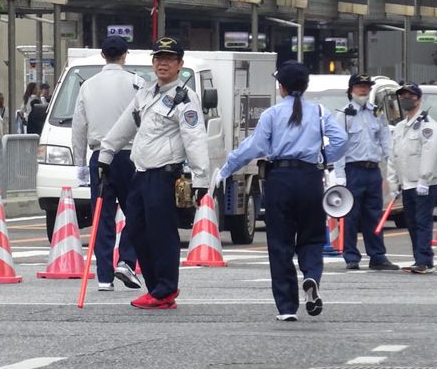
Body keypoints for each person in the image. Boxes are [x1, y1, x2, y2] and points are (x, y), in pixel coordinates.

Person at [215, 60, 347, 322]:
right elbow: (341, 140)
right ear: (305, 86)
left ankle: (287, 307)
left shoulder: (272, 114)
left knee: (280, 242)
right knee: (311, 237)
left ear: (282, 87)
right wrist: (323, 158)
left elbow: (254, 146)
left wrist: (226, 169)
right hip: (310, 178)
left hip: (280, 179)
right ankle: (311, 276)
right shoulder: (319, 111)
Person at [98, 36, 209, 310]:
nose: (163, 64)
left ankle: (166, 289)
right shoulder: (146, 92)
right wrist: (106, 154)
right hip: (140, 173)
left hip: (164, 175)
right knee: (137, 231)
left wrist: (201, 177)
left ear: (180, 64)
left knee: (162, 234)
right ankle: (156, 288)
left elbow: (195, 137)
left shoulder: (185, 98)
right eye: (159, 58)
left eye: (169, 59)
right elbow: (125, 124)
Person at [71, 35, 142, 292]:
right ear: (125, 55)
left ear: (103, 55)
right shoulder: (137, 83)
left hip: (99, 156)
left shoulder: (88, 86)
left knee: (102, 216)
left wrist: (80, 164)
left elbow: (79, 127)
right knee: (136, 211)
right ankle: (126, 260)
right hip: (130, 155)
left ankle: (104, 277)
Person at [333, 74, 399, 271]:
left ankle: (377, 256)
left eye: (366, 86)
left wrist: (394, 168)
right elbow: (339, 147)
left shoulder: (377, 112)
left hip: (372, 170)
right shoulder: (344, 115)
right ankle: (351, 256)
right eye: (359, 86)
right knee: (351, 215)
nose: (363, 90)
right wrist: (340, 175)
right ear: (351, 90)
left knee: (374, 214)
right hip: (353, 170)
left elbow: (386, 141)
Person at [387, 83, 437, 274]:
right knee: (411, 222)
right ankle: (421, 258)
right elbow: (394, 156)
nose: (406, 99)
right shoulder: (400, 127)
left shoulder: (428, 125)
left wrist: (424, 179)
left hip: (424, 183)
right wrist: (393, 182)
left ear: (419, 99)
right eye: (403, 96)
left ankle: (423, 260)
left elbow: (430, 153)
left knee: (422, 220)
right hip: (407, 183)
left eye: (410, 96)